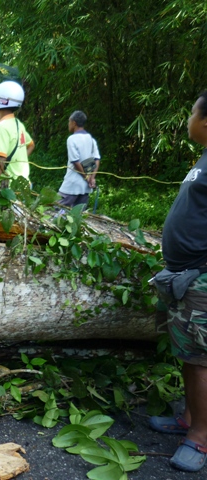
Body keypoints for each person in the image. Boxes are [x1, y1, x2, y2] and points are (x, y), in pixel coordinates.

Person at [148, 91, 207, 473]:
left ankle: (200, 439)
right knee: (189, 354)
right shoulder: (203, 159)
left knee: (201, 359)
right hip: (186, 274)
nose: (187, 118)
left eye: (191, 112)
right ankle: (189, 417)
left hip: (201, 277)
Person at [0, 81, 35, 182]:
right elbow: (31, 145)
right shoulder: (18, 124)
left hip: (9, 186)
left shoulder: (1, 127)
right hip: (23, 184)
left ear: (0, 100)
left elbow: (0, 160)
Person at [57, 111, 100, 208]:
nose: (68, 124)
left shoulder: (72, 139)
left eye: (69, 122)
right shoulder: (91, 139)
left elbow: (76, 162)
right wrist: (92, 178)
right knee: (78, 214)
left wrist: (86, 177)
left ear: (74, 123)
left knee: (56, 209)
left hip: (72, 185)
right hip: (85, 187)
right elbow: (97, 159)